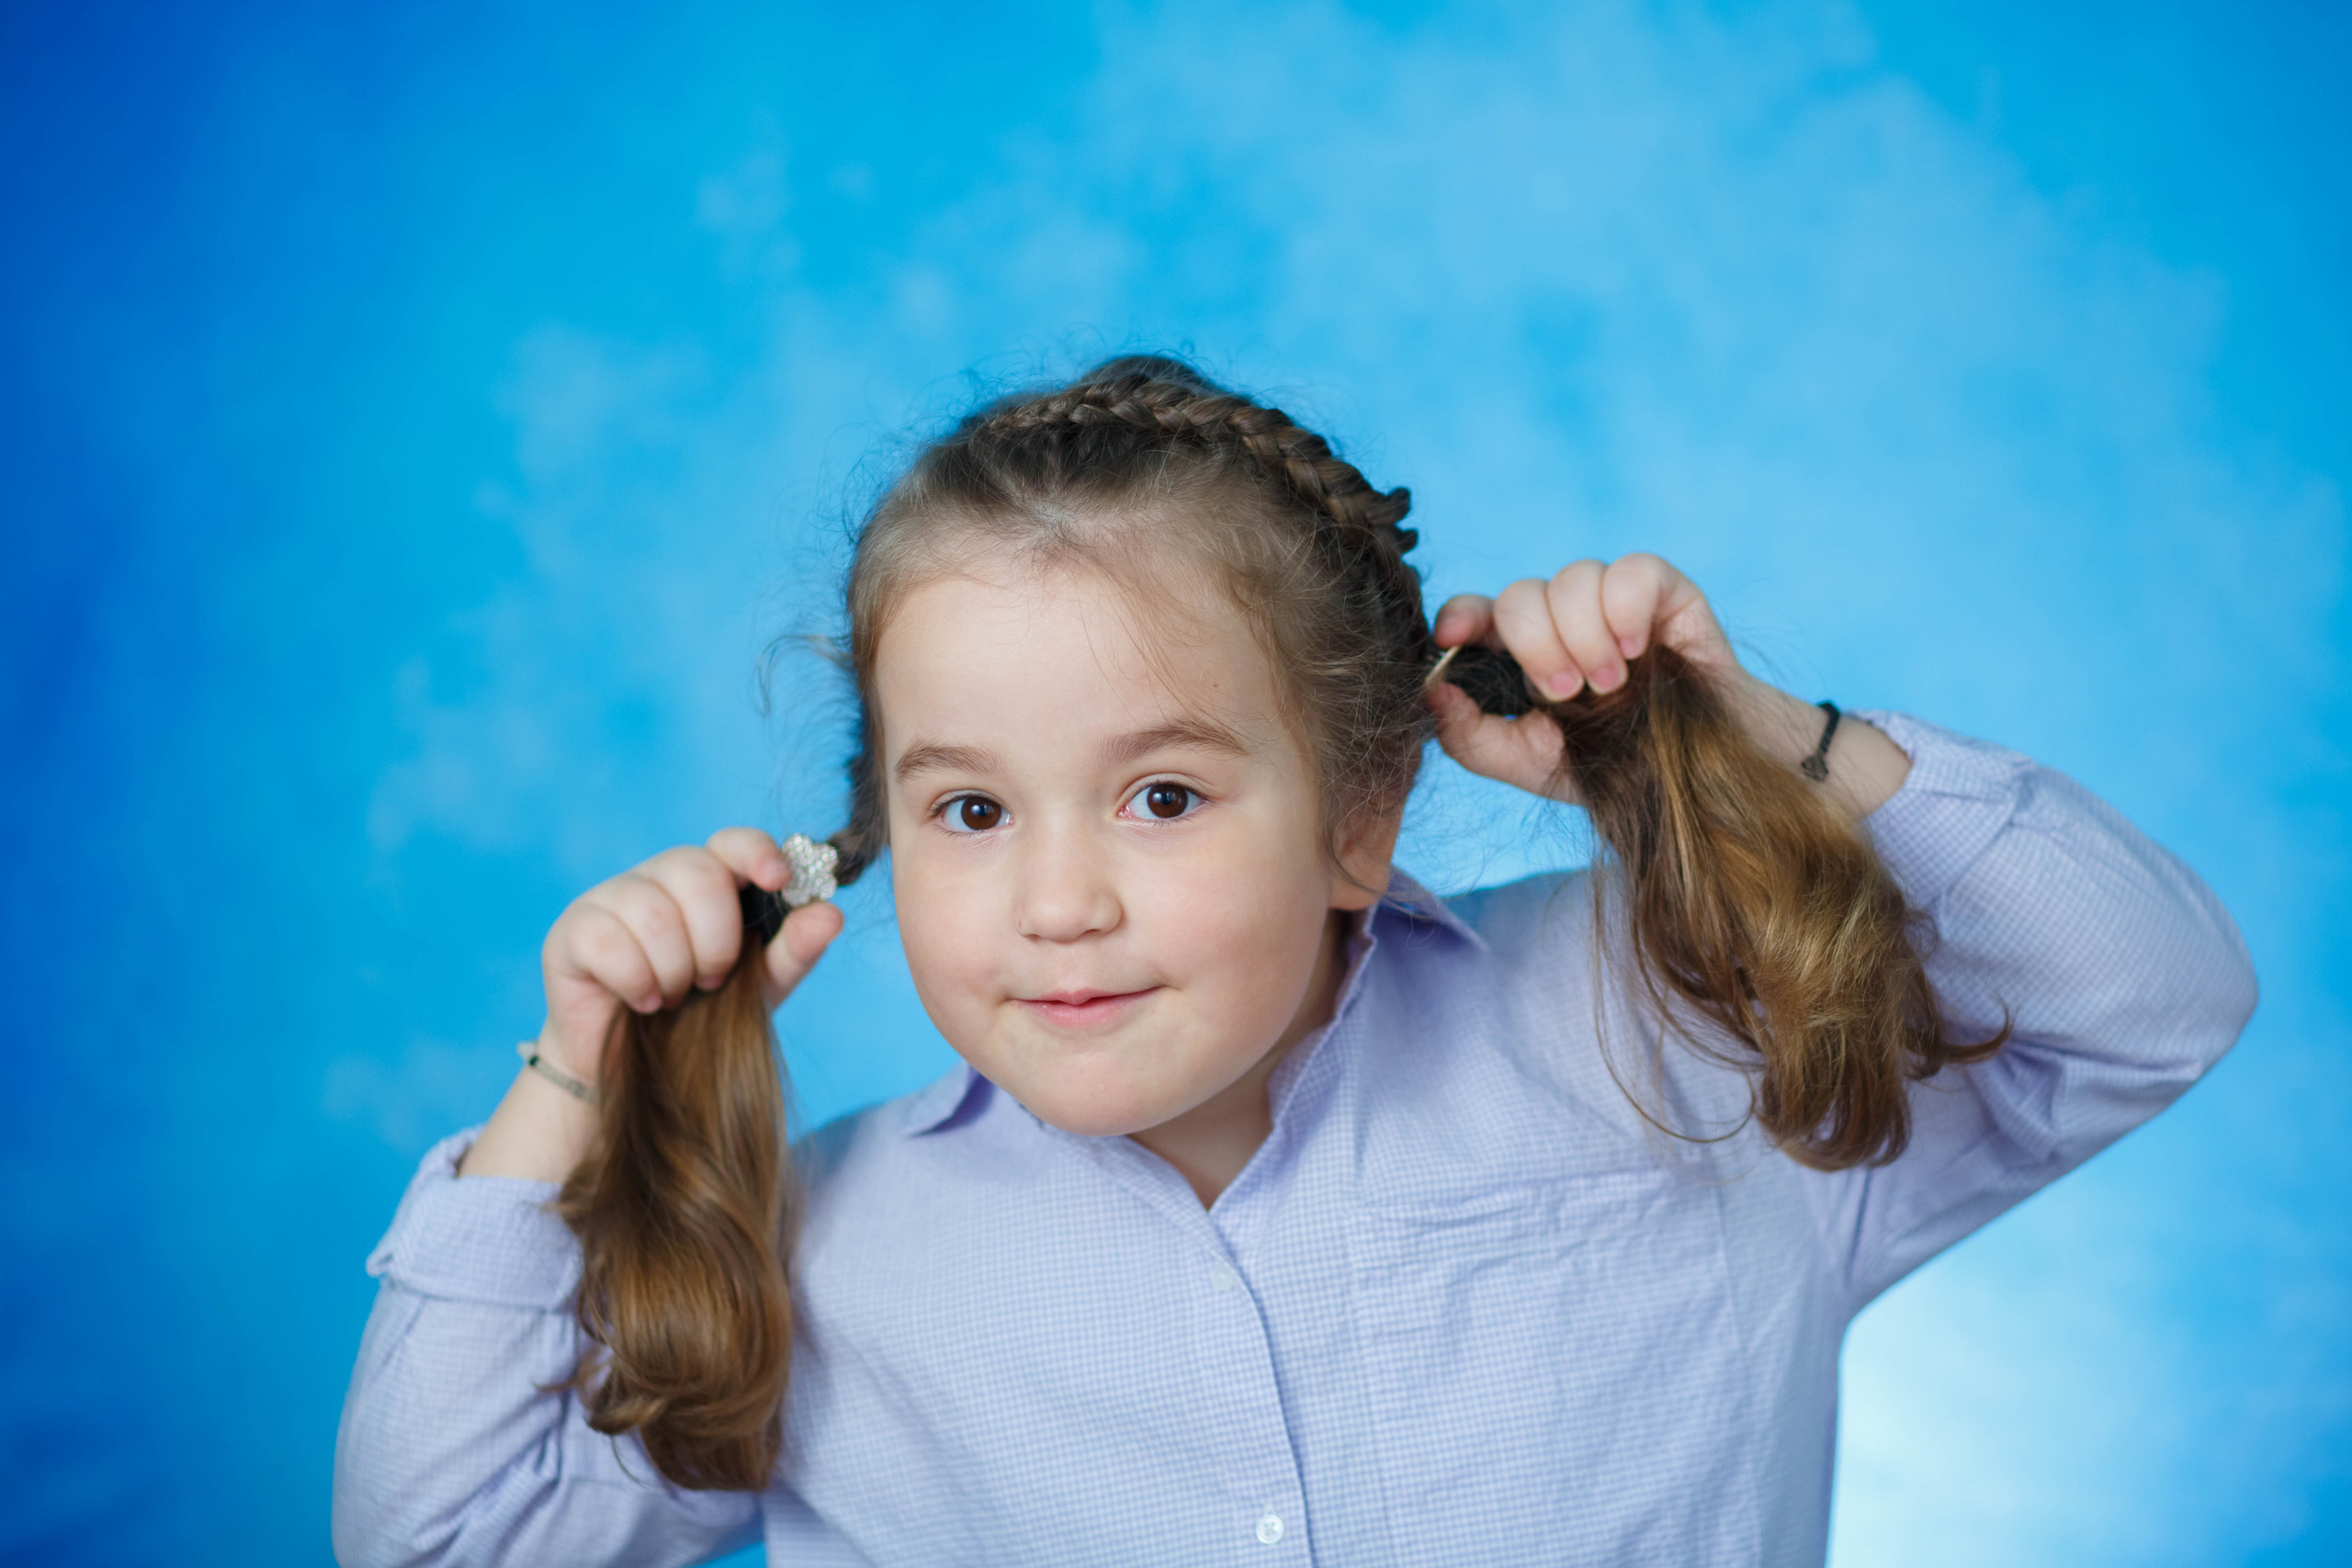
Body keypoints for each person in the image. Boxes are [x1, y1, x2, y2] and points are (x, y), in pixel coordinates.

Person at [332, 356, 2256, 1567]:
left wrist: (1759, 739)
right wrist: (572, 1082)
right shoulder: (817, 1250)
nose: (1056, 902)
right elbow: (444, 1543)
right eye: (971, 808)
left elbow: (2147, 1001)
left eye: (1161, 795)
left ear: (1358, 815)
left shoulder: (1672, 1028)